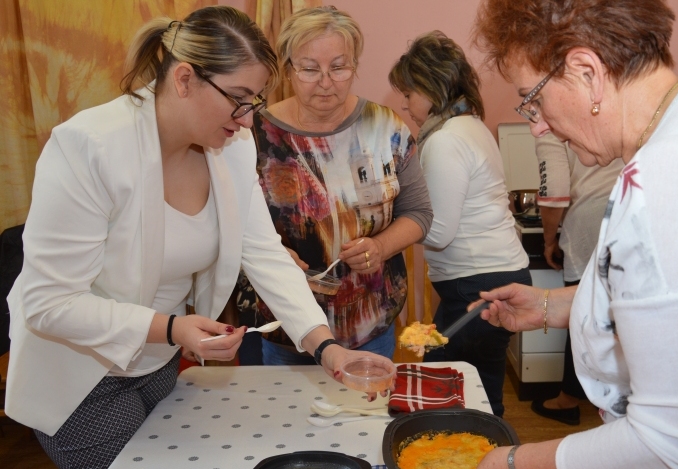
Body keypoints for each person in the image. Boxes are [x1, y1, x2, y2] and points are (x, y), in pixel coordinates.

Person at [5, 6, 394, 468]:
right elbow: (49, 303)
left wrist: (325, 347)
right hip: (79, 376)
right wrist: (171, 327)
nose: (248, 120)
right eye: (238, 98)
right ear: (184, 79)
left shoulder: (231, 145)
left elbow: (264, 253)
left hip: (159, 362)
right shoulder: (89, 147)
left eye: (254, 101)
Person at [473, 0, 678, 467]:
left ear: (587, 72)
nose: (538, 123)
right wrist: (551, 304)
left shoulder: (669, 181)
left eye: (534, 99)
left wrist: (512, 461)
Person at [236, 6, 433, 365]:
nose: (325, 82)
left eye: (339, 67)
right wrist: (270, 256)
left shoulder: (385, 127)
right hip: (284, 328)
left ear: (355, 65)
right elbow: (226, 227)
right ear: (288, 69)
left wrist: (379, 246)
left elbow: (419, 214)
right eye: (310, 69)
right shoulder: (253, 136)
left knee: (362, 418)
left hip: (369, 326)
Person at [387, 31, 530, 418]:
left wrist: (391, 220)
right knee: (482, 390)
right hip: (490, 278)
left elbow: (437, 230)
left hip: (478, 284)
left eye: (408, 93)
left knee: (447, 390)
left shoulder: (446, 140)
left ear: (431, 88)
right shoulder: (472, 126)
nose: (404, 104)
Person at [531, 133, 622, 425]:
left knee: (583, 313)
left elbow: (554, 192)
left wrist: (548, 240)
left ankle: (568, 398)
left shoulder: (547, 127)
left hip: (589, 222)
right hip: (626, 211)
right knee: (619, 314)